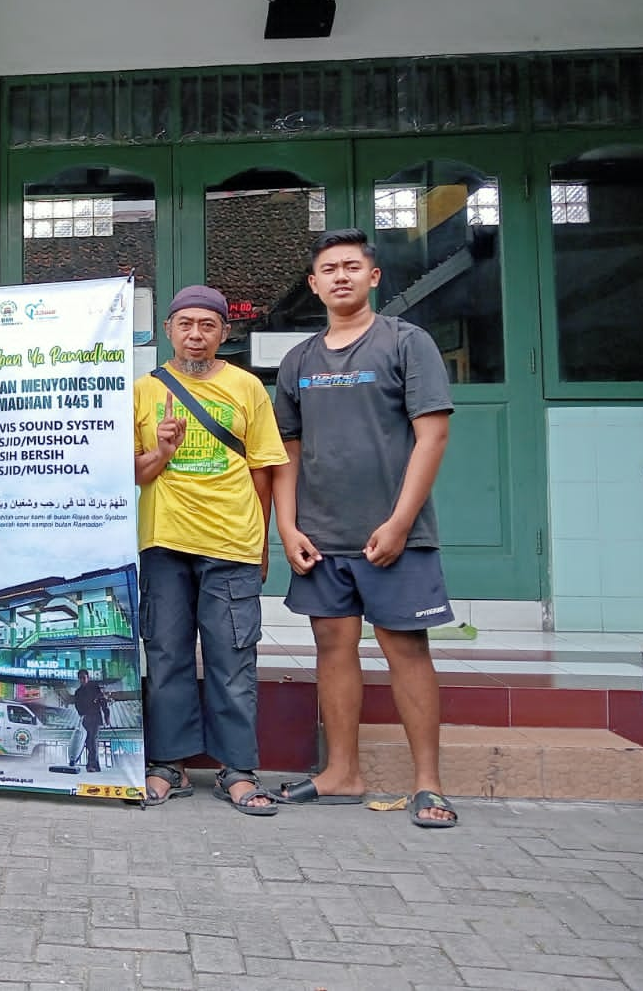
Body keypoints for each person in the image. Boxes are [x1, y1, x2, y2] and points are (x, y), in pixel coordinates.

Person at [272, 229, 458, 829]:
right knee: (332, 648)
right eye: (329, 269)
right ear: (314, 284)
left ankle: (427, 783)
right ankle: (341, 773)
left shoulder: (407, 343)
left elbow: (433, 435)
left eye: (353, 266)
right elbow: (288, 453)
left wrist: (401, 522)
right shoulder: (299, 361)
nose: (341, 276)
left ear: (374, 278)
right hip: (322, 539)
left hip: (394, 537)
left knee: (406, 649)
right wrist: (287, 526)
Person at [133, 285, 287, 816]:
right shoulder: (144, 392)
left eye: (207, 325)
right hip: (164, 543)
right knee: (166, 654)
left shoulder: (247, 388)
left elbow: (265, 469)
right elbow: (131, 473)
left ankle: (237, 770)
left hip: (231, 543)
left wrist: (263, 543)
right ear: (169, 330)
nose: (195, 335)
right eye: (185, 324)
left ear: (224, 332)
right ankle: (167, 766)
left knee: (232, 658)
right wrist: (163, 450)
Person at [67, 669, 110, 774]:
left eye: (84, 677)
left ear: (88, 677)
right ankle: (95, 765)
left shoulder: (94, 688)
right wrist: (82, 713)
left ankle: (91, 765)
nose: (82, 680)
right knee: (88, 742)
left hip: (95, 718)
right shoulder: (78, 692)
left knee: (92, 740)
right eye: (80, 678)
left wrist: (107, 715)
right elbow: (77, 706)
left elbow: (103, 701)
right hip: (86, 718)